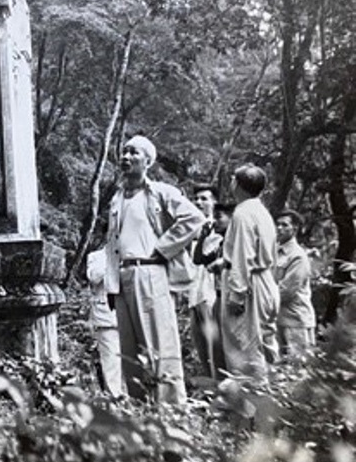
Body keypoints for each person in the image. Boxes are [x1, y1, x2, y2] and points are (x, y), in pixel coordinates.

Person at [105, 135, 205, 403]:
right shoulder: (116, 198)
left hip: (150, 272)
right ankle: (141, 408)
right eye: (124, 152)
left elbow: (194, 217)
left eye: (133, 153)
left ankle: (171, 409)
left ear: (147, 161)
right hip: (123, 276)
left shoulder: (160, 192)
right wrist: (110, 283)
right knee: (129, 347)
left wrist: (163, 248)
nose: (125, 157)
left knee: (158, 343)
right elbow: (112, 243)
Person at [221, 164, 280, 379]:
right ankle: (270, 398)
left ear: (238, 185)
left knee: (244, 347)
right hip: (264, 280)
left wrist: (237, 294)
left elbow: (242, 255)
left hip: (250, 284)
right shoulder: (261, 211)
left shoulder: (243, 213)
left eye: (233, 179)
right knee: (265, 344)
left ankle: (250, 404)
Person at [189, 185, 226, 379]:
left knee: (216, 347)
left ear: (214, 202)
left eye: (204, 199)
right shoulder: (196, 228)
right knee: (202, 348)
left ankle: (223, 391)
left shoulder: (220, 228)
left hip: (211, 294)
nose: (198, 203)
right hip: (195, 294)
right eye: (196, 199)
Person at [273, 210, 316, 356]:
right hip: (279, 319)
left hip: (296, 321)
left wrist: (260, 300)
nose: (279, 228)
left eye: (284, 225)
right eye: (277, 224)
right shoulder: (274, 252)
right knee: (279, 369)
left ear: (295, 229)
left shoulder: (298, 256)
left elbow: (286, 291)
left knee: (298, 370)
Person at [86, 248, 125, 397]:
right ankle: (115, 397)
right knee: (111, 360)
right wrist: (112, 259)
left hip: (128, 311)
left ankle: (133, 398)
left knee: (130, 358)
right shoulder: (96, 256)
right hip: (106, 316)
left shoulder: (130, 252)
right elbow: (94, 277)